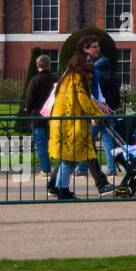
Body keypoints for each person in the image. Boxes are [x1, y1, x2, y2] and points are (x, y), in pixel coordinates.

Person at [49, 36, 114, 199]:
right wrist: (96, 114)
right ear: (85, 50)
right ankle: (62, 189)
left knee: (71, 155)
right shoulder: (79, 72)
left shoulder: (76, 69)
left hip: (69, 119)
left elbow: (84, 96)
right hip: (70, 121)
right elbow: (82, 97)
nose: (98, 49)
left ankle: (58, 187)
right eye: (94, 47)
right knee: (70, 156)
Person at [20, 56, 56, 187]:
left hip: (37, 115)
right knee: (54, 143)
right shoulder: (55, 79)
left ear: (37, 65)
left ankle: (46, 170)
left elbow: (30, 98)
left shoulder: (35, 80)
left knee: (41, 144)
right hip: (53, 115)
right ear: (49, 65)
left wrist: (28, 109)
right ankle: (56, 169)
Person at [92, 55, 121, 176]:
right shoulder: (115, 77)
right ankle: (112, 168)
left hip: (99, 110)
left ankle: (81, 169)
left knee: (87, 140)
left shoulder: (97, 76)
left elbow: (96, 93)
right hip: (111, 110)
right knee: (108, 141)